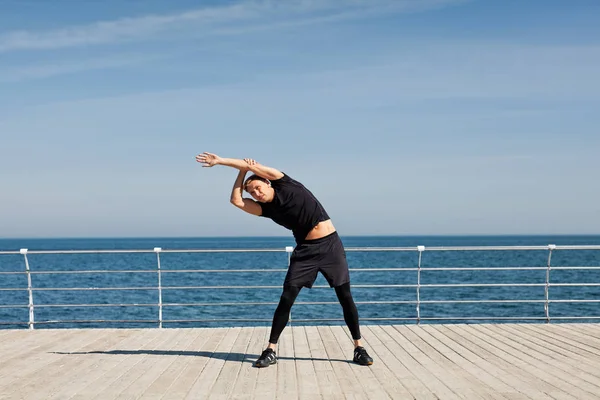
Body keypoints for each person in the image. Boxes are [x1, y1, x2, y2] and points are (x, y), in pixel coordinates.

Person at [196, 152, 374, 367]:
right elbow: (235, 200)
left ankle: (359, 348)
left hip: (331, 247)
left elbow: (255, 166)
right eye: (252, 192)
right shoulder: (266, 210)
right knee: (287, 298)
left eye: (258, 187)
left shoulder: (286, 183)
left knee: (345, 296)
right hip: (305, 251)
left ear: (268, 182)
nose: (256, 193)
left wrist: (222, 162)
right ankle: (270, 350)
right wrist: (242, 173)